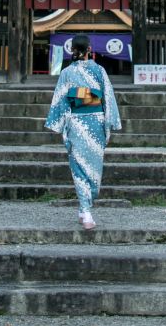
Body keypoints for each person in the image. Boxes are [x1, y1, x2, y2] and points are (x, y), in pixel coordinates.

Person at [44, 33, 121, 230]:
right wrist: (110, 122)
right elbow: (108, 98)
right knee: (86, 169)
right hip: (93, 121)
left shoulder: (67, 73)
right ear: (89, 50)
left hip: (78, 122)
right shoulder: (99, 70)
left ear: (73, 51)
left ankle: (84, 206)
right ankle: (86, 210)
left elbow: (60, 99)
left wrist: (58, 123)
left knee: (85, 169)